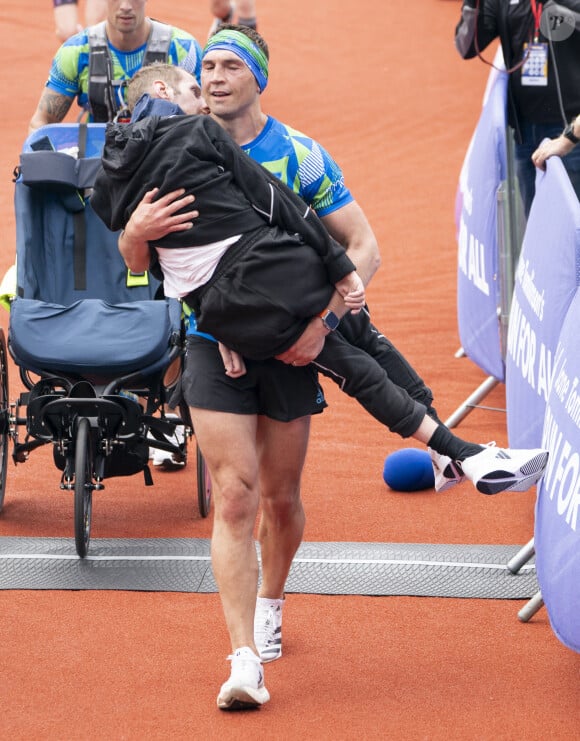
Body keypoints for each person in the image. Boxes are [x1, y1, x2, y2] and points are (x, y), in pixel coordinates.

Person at [95, 59, 550, 710]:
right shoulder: (166, 148)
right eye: (207, 70)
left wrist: (320, 322)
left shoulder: (299, 155)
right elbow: (143, 266)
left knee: (281, 498)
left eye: (229, 66)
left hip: (299, 319)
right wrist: (136, 237)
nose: (216, 78)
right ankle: (244, 656)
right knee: (233, 496)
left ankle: (273, 600)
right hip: (212, 336)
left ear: (259, 78)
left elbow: (362, 246)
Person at [455, 0, 580, 217]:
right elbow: (467, 47)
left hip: (571, 135)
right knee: (537, 226)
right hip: (526, 136)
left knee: (573, 226)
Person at [30, 0, 203, 132]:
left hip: (165, 160)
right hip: (98, 163)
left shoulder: (183, 49)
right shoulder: (76, 51)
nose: (126, 6)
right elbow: (41, 122)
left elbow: (206, 116)